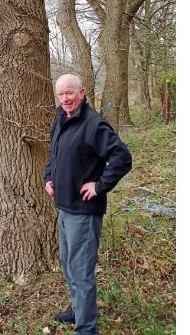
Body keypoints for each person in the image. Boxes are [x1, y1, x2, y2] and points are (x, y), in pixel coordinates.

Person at [44, 74, 132, 334]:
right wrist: (49, 178)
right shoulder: (61, 119)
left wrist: (100, 185)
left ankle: (87, 329)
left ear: (81, 92)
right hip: (64, 207)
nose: (65, 99)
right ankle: (77, 310)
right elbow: (54, 155)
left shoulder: (93, 124)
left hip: (83, 212)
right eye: (60, 95)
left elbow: (122, 157)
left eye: (69, 93)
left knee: (81, 272)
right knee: (69, 265)